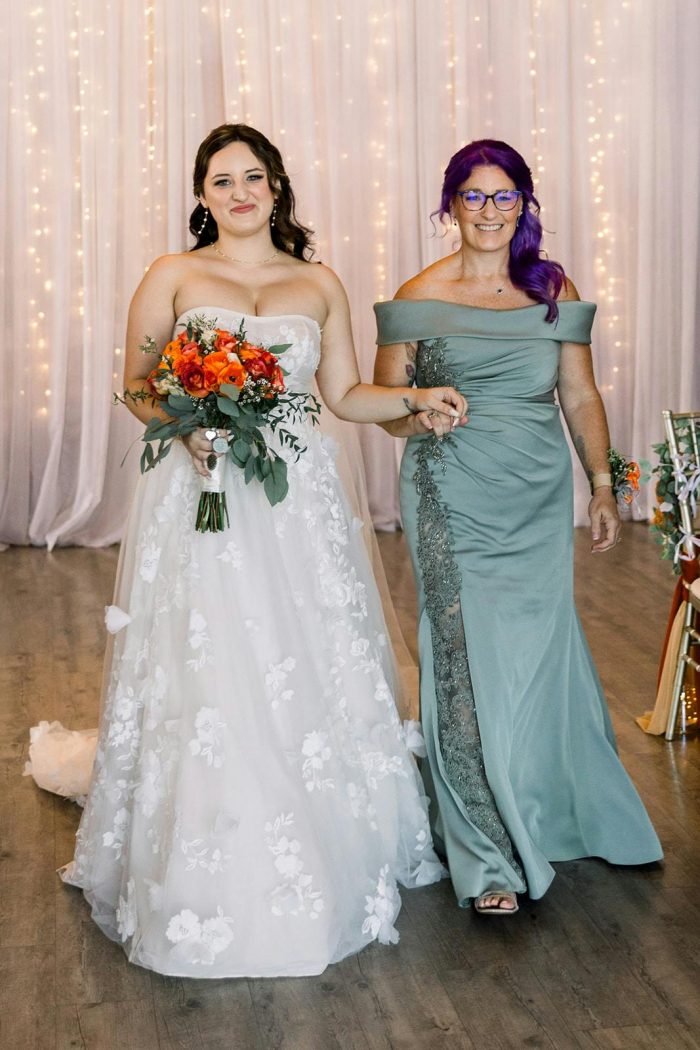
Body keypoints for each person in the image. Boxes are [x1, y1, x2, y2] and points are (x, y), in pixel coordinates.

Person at [53, 124, 469, 976]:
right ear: (201, 196)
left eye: (253, 176)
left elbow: (347, 394)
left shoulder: (317, 283)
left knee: (298, 648)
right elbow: (137, 382)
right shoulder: (173, 275)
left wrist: (413, 397)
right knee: (210, 655)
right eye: (220, 180)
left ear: (276, 187)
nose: (239, 192)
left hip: (295, 496)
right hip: (200, 488)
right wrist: (185, 430)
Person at [373, 138, 662, 916]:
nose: (491, 212)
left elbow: (580, 394)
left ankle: (546, 808)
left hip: (536, 496)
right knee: (462, 659)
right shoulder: (415, 295)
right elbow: (386, 409)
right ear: (450, 206)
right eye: (474, 197)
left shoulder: (551, 287)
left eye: (506, 197)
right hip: (451, 492)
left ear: (525, 204)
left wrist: (603, 486)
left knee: (536, 657)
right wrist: (419, 407)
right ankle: (486, 855)